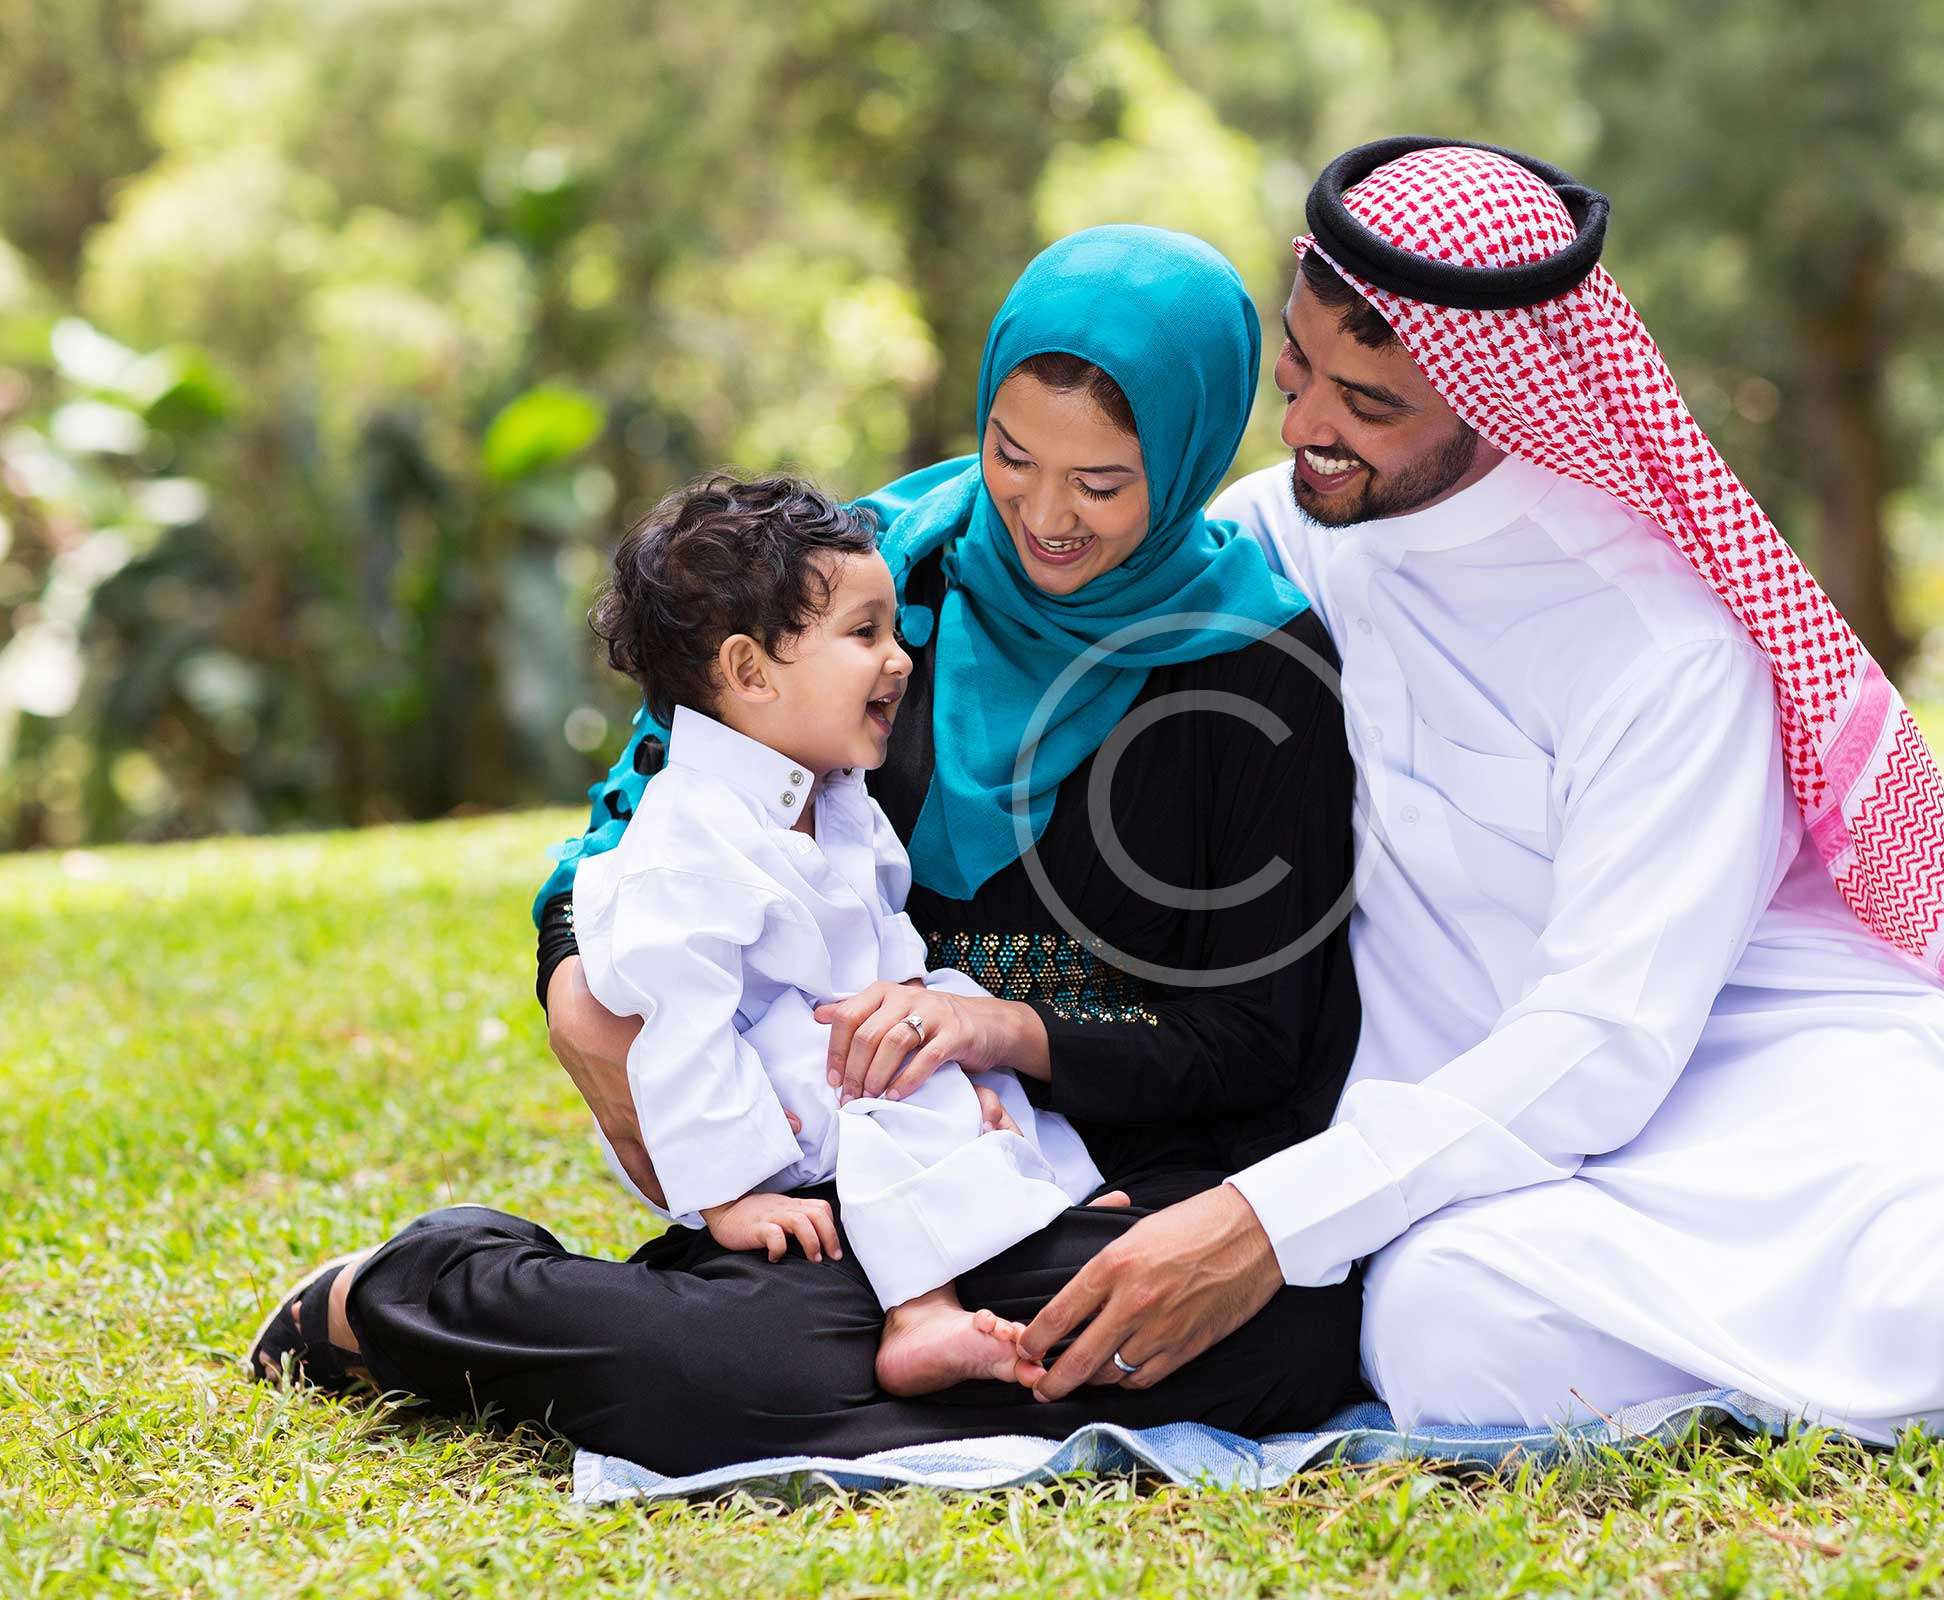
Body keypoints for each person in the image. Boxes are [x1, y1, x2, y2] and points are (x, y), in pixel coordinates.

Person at [1005, 139, 1944, 1440]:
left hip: (1765, 1062)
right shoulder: (1297, 528)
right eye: (1296, 368)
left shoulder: (1658, 634)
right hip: (1515, 1116)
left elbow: (1610, 1029)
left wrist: (1271, 1218)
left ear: (1495, 398)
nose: (1307, 421)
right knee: (1441, 1331)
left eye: (1367, 403)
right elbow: (1045, 525)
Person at [248, 226, 1368, 1475]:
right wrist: (572, 978)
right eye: (1011, 455)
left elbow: (1260, 1041)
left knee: (1290, 1336)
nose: (1046, 515)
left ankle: (756, 1340)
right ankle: (432, 1287)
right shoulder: (871, 576)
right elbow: (646, 817)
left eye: (1101, 483)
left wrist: (1005, 1030)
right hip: (840, 1154)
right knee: (741, 1366)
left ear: (1193, 451)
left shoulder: (1259, 677)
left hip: (1098, 1175)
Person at [568, 470, 1116, 1394]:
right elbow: (683, 1032)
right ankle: (922, 1315)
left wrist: (947, 1059)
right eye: (865, 635)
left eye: (895, 632)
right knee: (869, 1069)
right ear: (750, 673)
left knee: (931, 1026)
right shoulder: (690, 837)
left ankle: (1058, 1207)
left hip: (822, 1057)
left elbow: (887, 944)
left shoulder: (837, 795)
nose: (900, 660)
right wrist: (732, 1195)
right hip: (745, 1105)